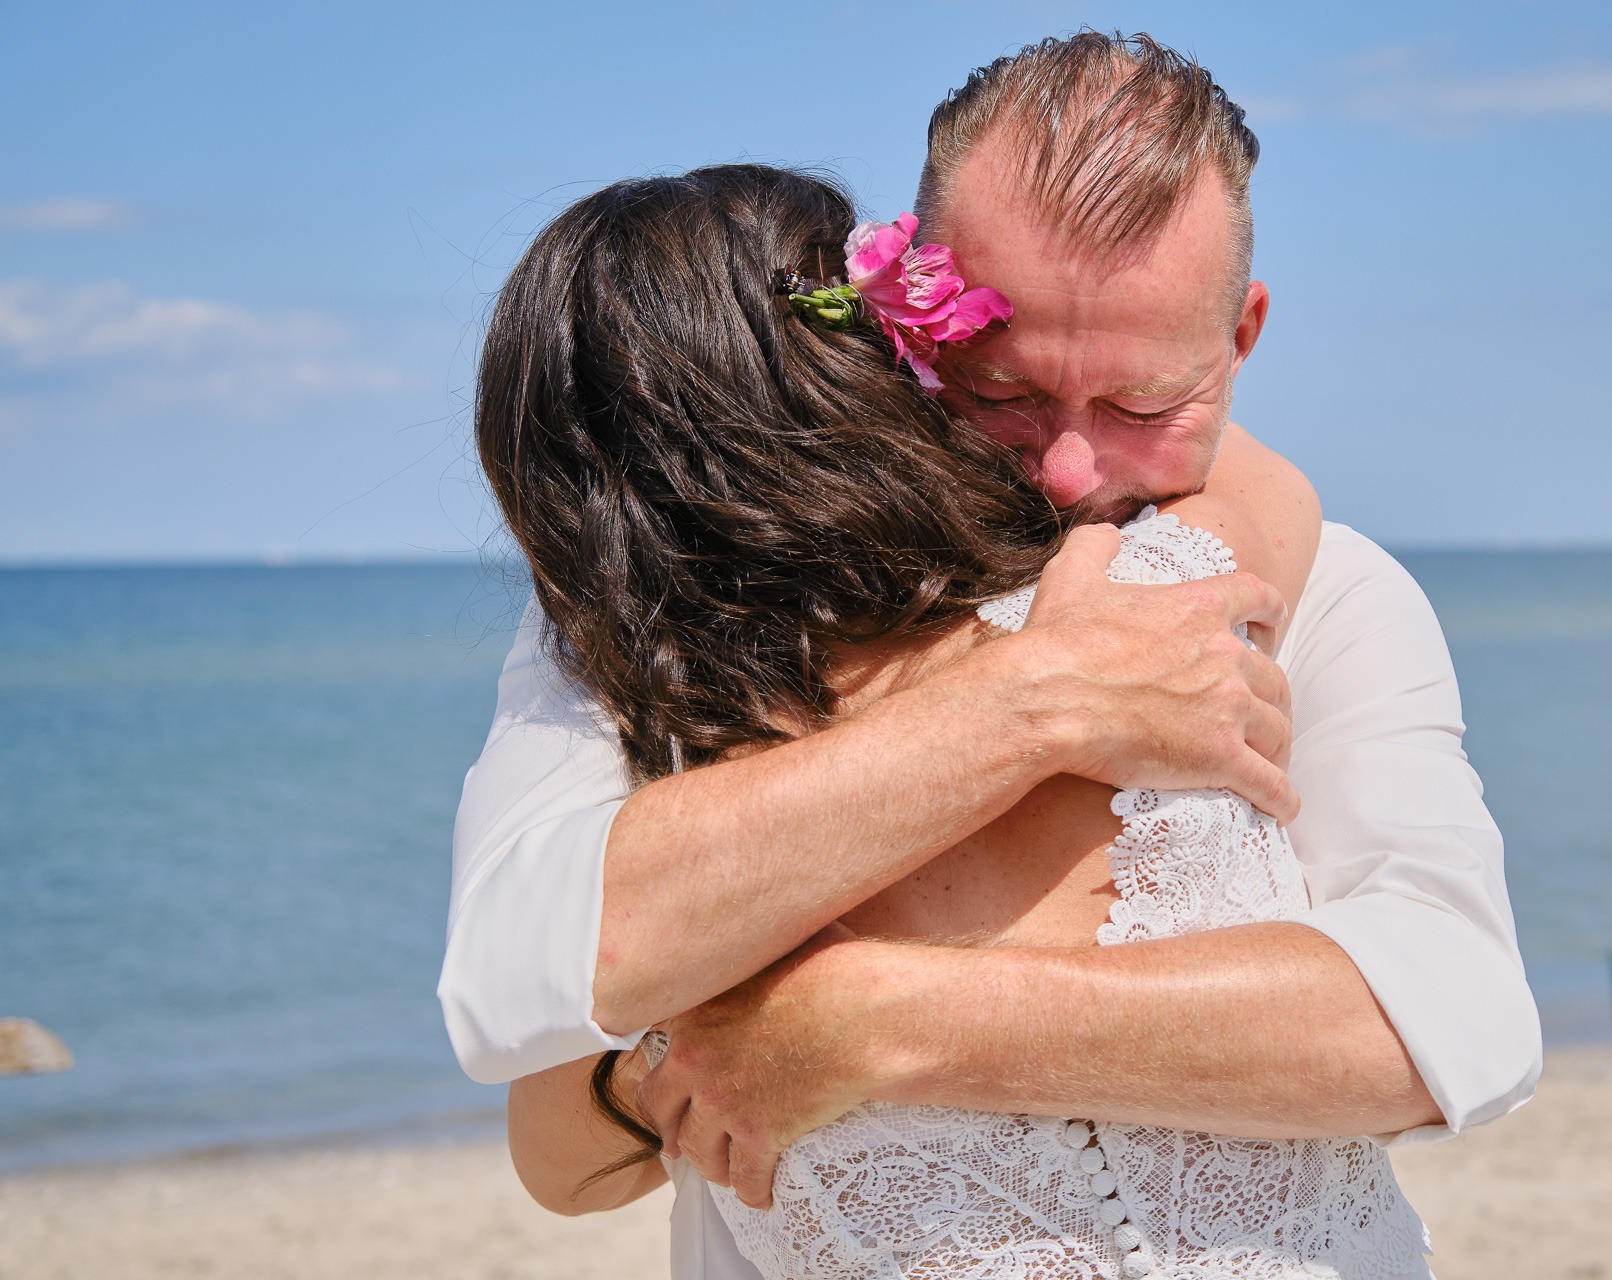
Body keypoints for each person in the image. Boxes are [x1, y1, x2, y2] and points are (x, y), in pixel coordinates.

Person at [439, 30, 1540, 1278]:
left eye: (1142, 407)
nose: (1071, 469)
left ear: (1241, 340)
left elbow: (1461, 1022)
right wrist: (1036, 700)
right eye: (1004, 392)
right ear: (902, 325)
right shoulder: (662, 620)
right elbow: (512, 987)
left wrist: (875, 1018)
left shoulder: (1325, 583)